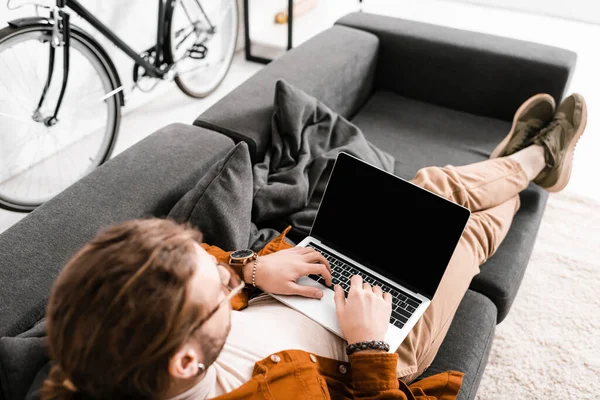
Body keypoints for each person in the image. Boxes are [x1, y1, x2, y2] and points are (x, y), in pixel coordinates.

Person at [39, 93, 586, 400]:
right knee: (457, 222)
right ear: (185, 361)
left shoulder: (110, 347)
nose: (225, 274)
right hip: (382, 343)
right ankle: (535, 160)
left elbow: (204, 265)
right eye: (220, 289)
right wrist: (369, 345)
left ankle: (524, 161)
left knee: (432, 196)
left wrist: (254, 273)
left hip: (310, 288)